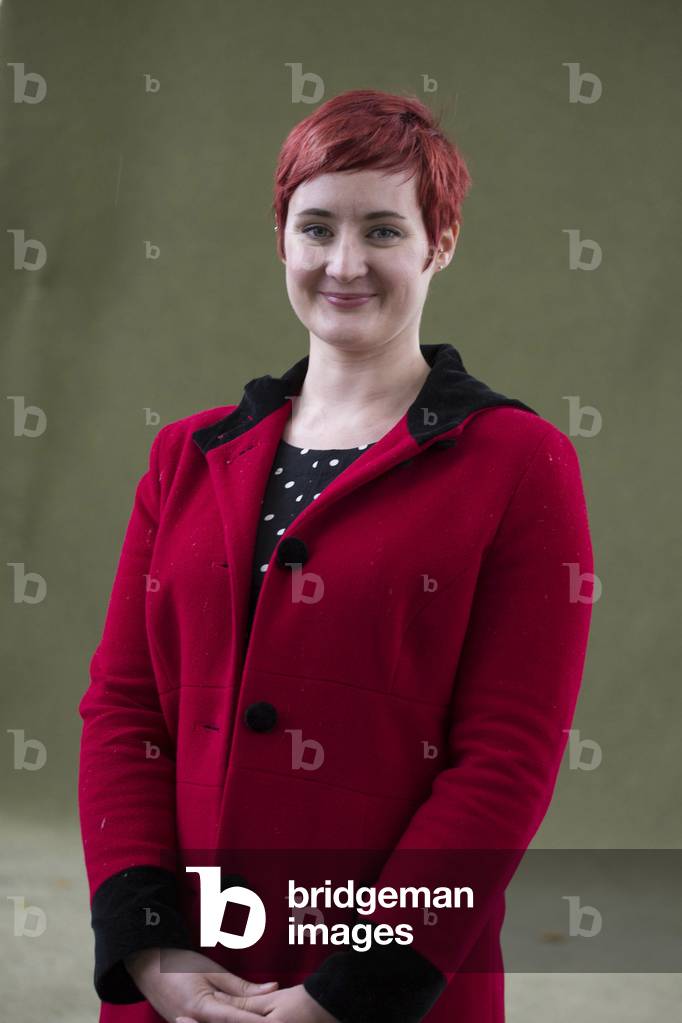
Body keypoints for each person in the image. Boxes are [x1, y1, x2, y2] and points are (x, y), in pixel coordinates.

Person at [78, 89, 595, 1023]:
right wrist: (152, 946)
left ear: (440, 243)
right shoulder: (184, 457)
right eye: (316, 227)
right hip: (183, 991)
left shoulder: (522, 463)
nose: (344, 263)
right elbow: (124, 711)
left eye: (384, 230)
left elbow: (506, 758)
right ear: (281, 238)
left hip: (392, 995)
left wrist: (351, 994)